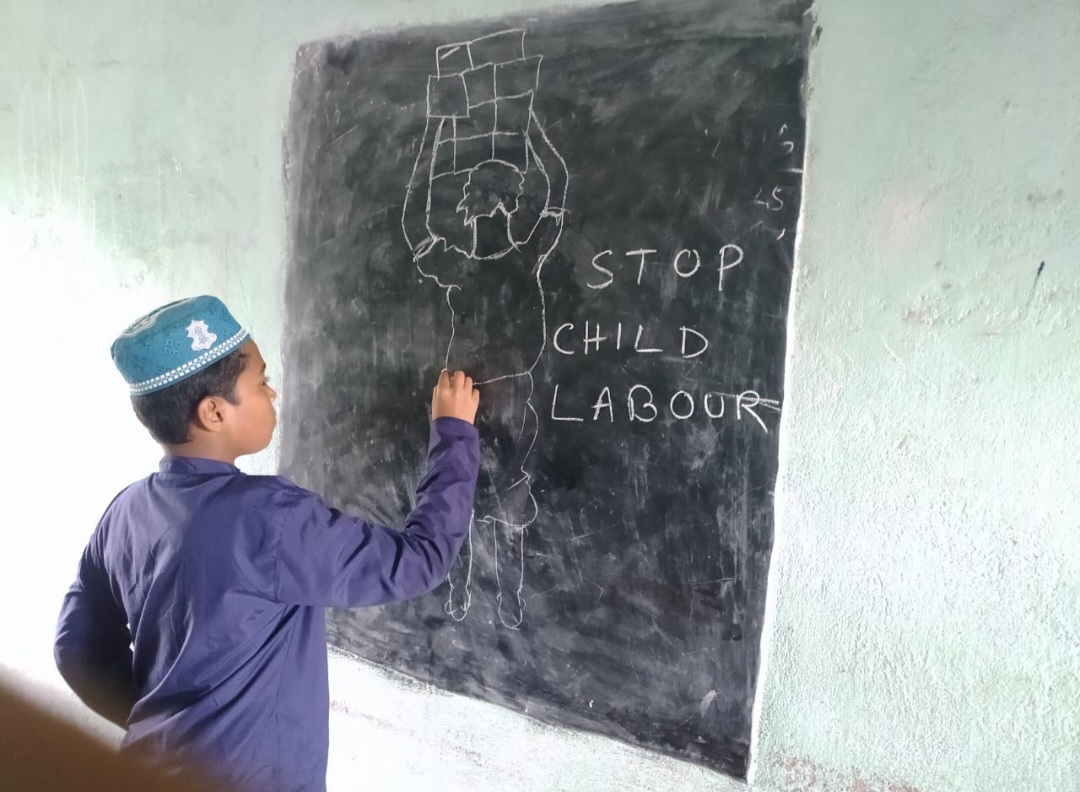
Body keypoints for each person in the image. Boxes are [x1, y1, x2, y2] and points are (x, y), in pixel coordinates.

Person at [53, 295, 480, 792]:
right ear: (214, 412)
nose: (273, 393)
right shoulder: (271, 519)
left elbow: (74, 647)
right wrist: (454, 432)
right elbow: (418, 560)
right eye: (261, 382)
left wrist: (162, 723)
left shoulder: (124, 512)